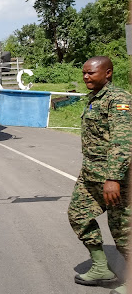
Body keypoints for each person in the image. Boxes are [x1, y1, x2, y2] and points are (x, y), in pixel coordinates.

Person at [68, 56, 131, 294]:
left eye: (91, 73)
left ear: (108, 73)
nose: (86, 77)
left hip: (115, 179)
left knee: (123, 232)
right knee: (78, 216)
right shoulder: (94, 99)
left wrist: (113, 178)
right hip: (90, 175)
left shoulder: (118, 99)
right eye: (84, 73)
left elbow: (122, 142)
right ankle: (101, 268)